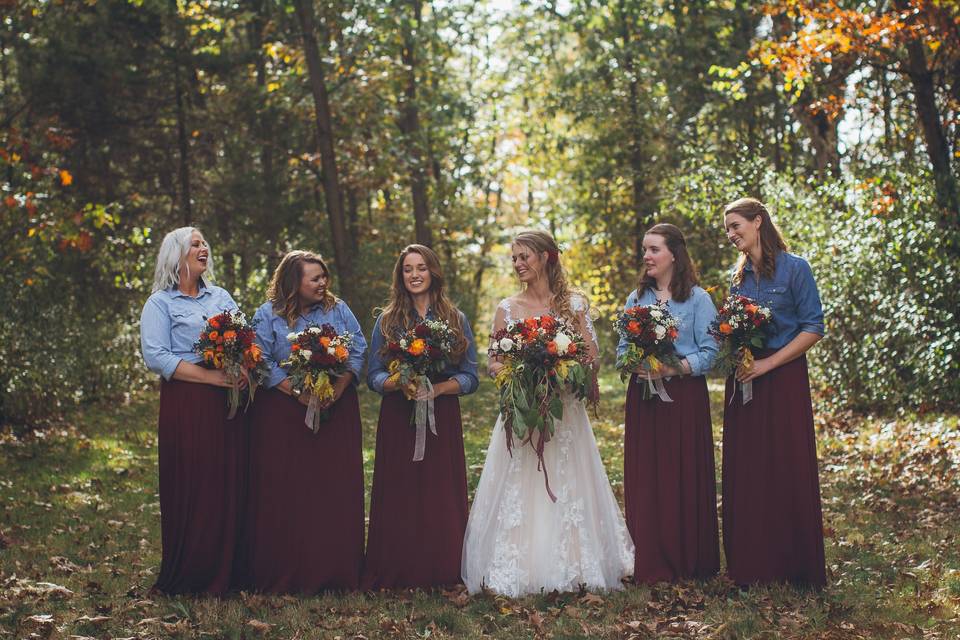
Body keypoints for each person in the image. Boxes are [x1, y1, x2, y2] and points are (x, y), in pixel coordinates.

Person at [461, 229, 634, 597]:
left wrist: (564, 371)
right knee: (523, 485)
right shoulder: (507, 308)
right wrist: (517, 374)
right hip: (525, 411)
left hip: (566, 413)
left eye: (525, 256)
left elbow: (592, 358)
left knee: (570, 483)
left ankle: (574, 560)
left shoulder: (574, 304)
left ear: (546, 257)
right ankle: (520, 565)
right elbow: (494, 361)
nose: (518, 264)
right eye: (514, 258)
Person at [244, 250, 366, 592]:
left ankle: (336, 570)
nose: (323, 282)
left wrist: (339, 388)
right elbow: (260, 359)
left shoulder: (338, 309)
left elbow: (356, 348)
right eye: (315, 278)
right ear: (293, 283)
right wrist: (296, 393)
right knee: (289, 491)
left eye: (324, 276)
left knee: (332, 490)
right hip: (284, 414)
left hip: (336, 409)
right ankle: (286, 569)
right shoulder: (267, 315)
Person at [721, 197, 826, 587]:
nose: (731, 235)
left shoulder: (796, 268)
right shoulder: (738, 277)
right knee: (748, 468)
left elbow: (813, 327)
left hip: (783, 377)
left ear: (758, 221)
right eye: (727, 229)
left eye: (735, 226)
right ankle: (752, 563)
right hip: (745, 378)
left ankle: (794, 564)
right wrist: (736, 354)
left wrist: (769, 364)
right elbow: (733, 329)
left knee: (786, 463)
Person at [362, 244, 479, 589]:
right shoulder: (387, 321)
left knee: (439, 491)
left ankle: (442, 566)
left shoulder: (455, 320)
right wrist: (397, 382)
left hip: (441, 413)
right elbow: (373, 375)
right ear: (400, 276)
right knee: (400, 489)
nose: (414, 274)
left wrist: (439, 390)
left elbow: (471, 376)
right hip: (399, 414)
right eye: (407, 269)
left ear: (433, 273)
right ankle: (398, 567)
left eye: (421, 268)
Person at [140, 226, 246, 595]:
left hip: (226, 400)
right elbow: (156, 355)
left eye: (205, 242)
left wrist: (242, 365)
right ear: (177, 255)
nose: (203, 248)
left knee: (226, 479)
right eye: (195, 243)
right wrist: (209, 377)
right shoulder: (160, 304)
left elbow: (242, 336)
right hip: (186, 399)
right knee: (193, 480)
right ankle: (191, 572)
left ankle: (229, 569)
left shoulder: (221, 296)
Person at [617, 223, 720, 584]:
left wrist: (673, 367)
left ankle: (689, 558)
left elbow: (713, 352)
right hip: (643, 398)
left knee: (683, 473)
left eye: (654, 249)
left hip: (684, 400)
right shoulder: (636, 299)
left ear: (674, 254)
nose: (646, 256)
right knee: (647, 476)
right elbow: (621, 350)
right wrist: (636, 363)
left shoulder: (698, 299)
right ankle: (651, 557)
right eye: (644, 249)